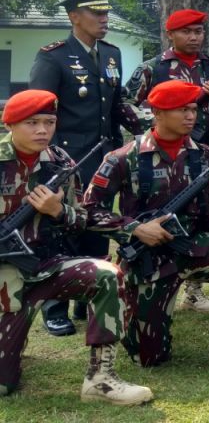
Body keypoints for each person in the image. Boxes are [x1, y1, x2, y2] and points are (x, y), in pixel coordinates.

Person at [82, 80, 209, 371]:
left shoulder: (203, 155)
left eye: (193, 109)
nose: (190, 116)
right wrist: (134, 229)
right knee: (149, 358)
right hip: (148, 256)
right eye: (181, 110)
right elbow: (90, 211)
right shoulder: (122, 158)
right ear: (157, 113)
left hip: (194, 245)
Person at [0, 90, 152, 404]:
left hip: (47, 265)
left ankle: (101, 380)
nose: (43, 130)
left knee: (107, 274)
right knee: (3, 385)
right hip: (4, 275)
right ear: (10, 125)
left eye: (49, 122)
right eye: (32, 123)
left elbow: (81, 218)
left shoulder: (60, 161)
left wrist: (58, 211)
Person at [28, 0, 142, 335]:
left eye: (106, 12)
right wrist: (47, 159)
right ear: (75, 16)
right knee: (61, 228)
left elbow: (115, 103)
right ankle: (54, 304)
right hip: (67, 158)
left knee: (96, 223)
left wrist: (143, 130)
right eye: (96, 13)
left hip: (105, 156)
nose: (104, 18)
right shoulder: (54, 56)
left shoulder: (111, 54)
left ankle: (88, 293)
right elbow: (39, 110)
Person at [125, 8, 209, 314]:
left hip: (204, 150)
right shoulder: (152, 68)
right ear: (170, 34)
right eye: (187, 32)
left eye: (198, 32)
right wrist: (157, 127)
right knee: (161, 209)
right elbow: (126, 107)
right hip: (158, 152)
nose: (194, 37)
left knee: (202, 210)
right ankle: (157, 276)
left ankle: (193, 287)